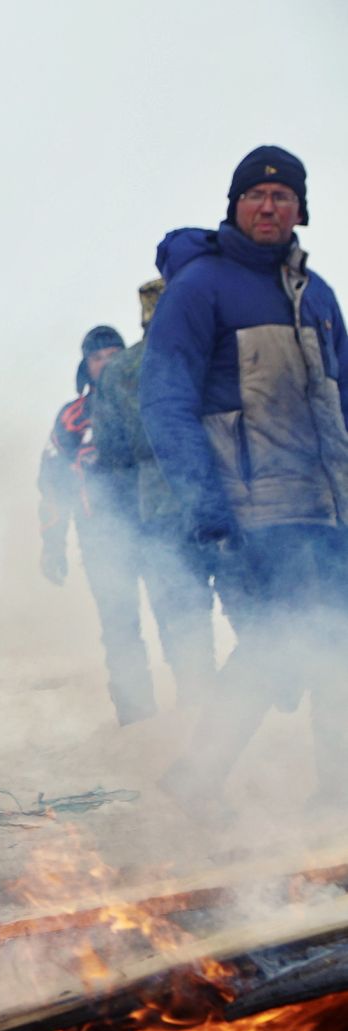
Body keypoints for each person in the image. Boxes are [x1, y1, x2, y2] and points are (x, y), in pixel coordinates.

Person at [141, 145, 348, 819]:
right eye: (256, 196)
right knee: (279, 645)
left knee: (328, 644)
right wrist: (206, 509)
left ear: (301, 210)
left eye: (282, 196)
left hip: (327, 506)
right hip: (252, 506)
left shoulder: (316, 295)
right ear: (234, 206)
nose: (269, 206)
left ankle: (328, 792)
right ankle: (197, 778)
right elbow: (166, 404)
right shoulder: (200, 288)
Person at [86, 278, 218, 708]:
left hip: (156, 508)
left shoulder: (122, 372)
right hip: (221, 499)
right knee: (232, 609)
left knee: (176, 609)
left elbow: (112, 453)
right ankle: (219, 702)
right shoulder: (208, 355)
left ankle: (192, 709)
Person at [40, 323, 166, 723]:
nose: (107, 363)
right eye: (98, 357)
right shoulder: (73, 419)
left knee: (176, 616)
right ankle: (137, 720)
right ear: (85, 366)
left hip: (159, 531)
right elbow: (53, 485)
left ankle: (199, 710)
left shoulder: (155, 402)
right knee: (120, 628)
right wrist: (53, 544)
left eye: (115, 354)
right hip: (102, 539)